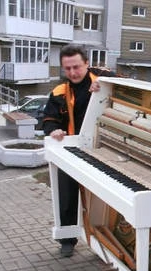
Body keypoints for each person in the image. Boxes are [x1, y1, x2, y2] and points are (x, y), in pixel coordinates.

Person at [43, 44, 115, 257]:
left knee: (102, 199)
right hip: (72, 150)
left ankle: (105, 241)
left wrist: (104, 82)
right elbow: (48, 119)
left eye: (76, 67)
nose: (72, 73)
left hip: (101, 149)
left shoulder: (103, 80)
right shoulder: (59, 92)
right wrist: (54, 129)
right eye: (67, 68)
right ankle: (67, 239)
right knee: (66, 193)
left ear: (86, 64)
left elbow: (126, 83)